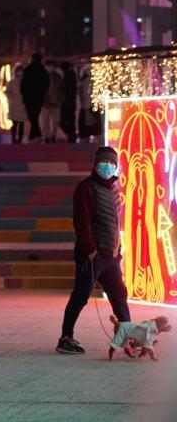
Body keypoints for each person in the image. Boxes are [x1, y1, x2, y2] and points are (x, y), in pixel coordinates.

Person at [57, 146, 131, 355]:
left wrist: (118, 249)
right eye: (103, 162)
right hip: (93, 256)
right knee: (81, 295)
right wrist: (90, 250)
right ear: (95, 164)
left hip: (111, 256)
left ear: (116, 166)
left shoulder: (114, 188)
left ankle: (128, 334)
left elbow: (114, 223)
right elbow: (81, 222)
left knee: (119, 295)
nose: (107, 166)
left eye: (111, 163)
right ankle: (65, 337)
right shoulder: (86, 188)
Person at [21, 53, 49, 142]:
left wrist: (24, 95)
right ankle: (35, 135)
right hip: (38, 96)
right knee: (35, 115)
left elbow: (23, 84)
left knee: (32, 116)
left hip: (28, 97)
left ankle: (34, 135)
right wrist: (41, 90)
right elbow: (47, 83)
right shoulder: (42, 70)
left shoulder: (28, 70)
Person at [40, 61, 63, 143]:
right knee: (45, 122)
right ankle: (46, 137)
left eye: (51, 66)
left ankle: (53, 135)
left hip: (56, 103)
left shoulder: (58, 77)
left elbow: (61, 89)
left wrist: (60, 99)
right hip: (45, 103)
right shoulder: (41, 77)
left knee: (56, 121)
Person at [5, 64, 28, 144]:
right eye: (18, 71)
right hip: (14, 105)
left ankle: (20, 139)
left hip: (22, 104)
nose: (20, 73)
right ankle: (13, 138)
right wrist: (12, 97)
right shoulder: (11, 82)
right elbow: (7, 92)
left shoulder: (25, 82)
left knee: (21, 123)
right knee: (14, 123)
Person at [59, 62, 78, 143]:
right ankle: (71, 134)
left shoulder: (66, 77)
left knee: (64, 120)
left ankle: (70, 134)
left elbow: (66, 90)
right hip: (71, 102)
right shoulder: (72, 76)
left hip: (66, 103)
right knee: (71, 120)